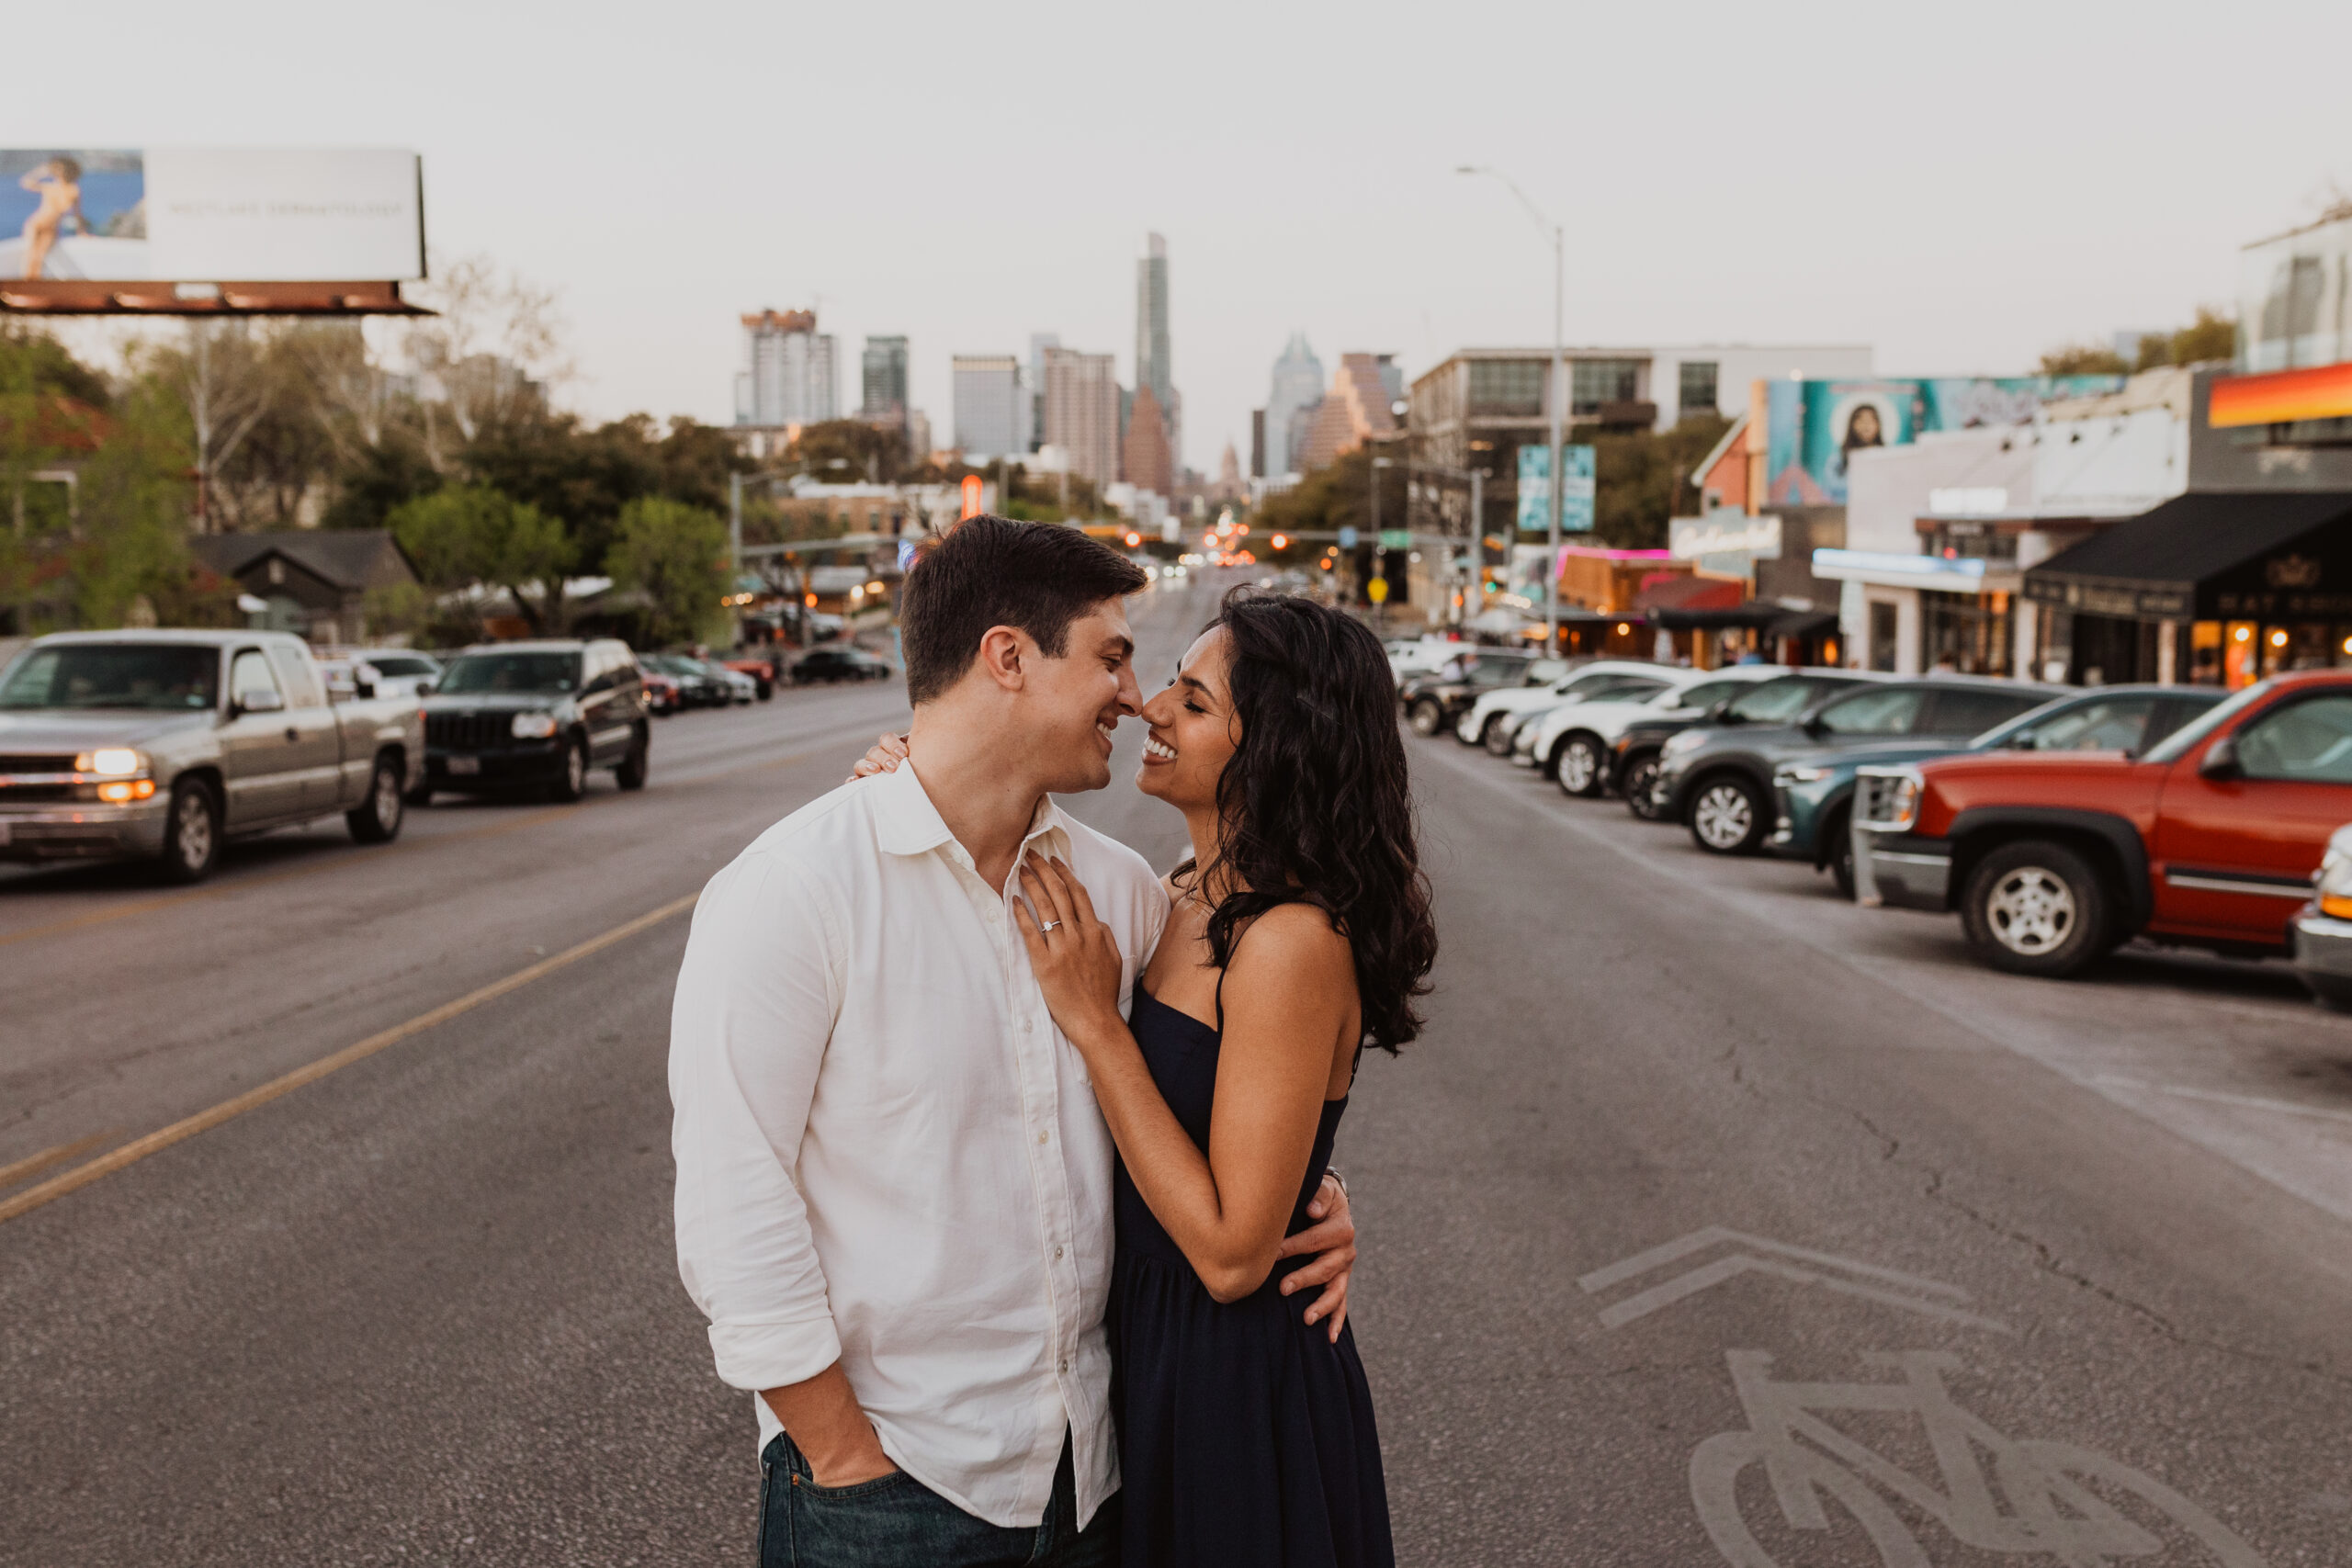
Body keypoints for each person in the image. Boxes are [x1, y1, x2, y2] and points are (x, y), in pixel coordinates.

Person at [669, 517, 1359, 1568]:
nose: (1135, 699)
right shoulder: (795, 891)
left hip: (1094, 1476)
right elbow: (732, 1202)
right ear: (1007, 659)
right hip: (893, 1490)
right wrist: (840, 1455)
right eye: (1114, 659)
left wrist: (1313, 1197)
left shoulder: (1124, 895)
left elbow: (1215, 1092)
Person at [858, 587, 1434, 1567]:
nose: (1150, 707)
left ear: (1278, 748)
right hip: (1145, 1358)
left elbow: (1230, 1255)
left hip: (1236, 1387)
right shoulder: (1169, 892)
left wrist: (1095, 1023)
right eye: (1171, 681)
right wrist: (907, 782)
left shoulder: (1290, 942)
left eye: (1195, 701)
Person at [17, 157, 85, 281]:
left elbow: (77, 214)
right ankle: (26, 284)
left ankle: (34, 286)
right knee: (30, 254)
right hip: (36, 224)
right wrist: (42, 171)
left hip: (51, 228)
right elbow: (25, 182)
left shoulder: (73, 190)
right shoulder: (51, 187)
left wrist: (81, 232)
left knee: (40, 257)